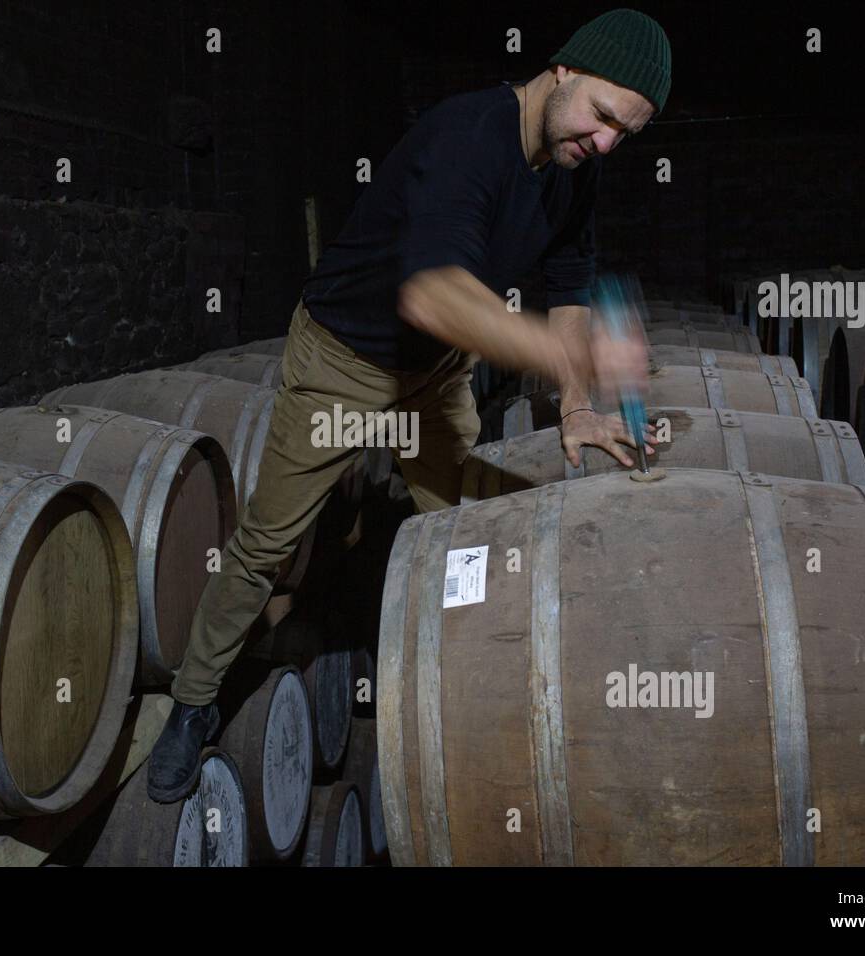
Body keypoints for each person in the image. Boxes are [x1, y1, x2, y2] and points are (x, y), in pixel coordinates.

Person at [146, 8, 672, 801]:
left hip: (436, 374)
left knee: (458, 526)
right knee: (266, 543)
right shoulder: (467, 138)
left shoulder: (575, 172)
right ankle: (191, 705)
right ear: (563, 69)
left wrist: (574, 406)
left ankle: (451, 687)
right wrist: (575, 355)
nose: (605, 144)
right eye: (603, 117)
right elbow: (434, 295)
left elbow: (567, 289)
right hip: (344, 364)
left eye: (623, 135)